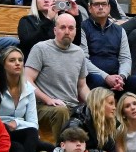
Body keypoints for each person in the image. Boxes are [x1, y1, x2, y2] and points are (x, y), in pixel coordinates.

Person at [25, 11, 93, 140]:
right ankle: (62, 151)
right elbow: (27, 80)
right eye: (63, 27)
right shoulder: (40, 48)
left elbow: (82, 86)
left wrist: (94, 103)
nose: (67, 31)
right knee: (61, 111)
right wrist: (48, 100)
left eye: (71, 28)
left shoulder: (79, 53)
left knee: (99, 109)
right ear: (55, 30)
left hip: (72, 106)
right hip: (43, 106)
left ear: (75, 31)